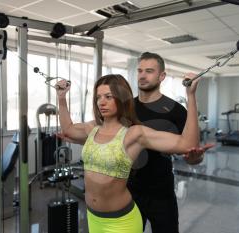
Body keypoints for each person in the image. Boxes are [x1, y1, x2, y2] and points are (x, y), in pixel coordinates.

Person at [55, 73, 205, 233]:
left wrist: (191, 96)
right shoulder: (91, 129)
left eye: (108, 96)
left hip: (121, 223)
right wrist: (62, 98)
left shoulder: (134, 134)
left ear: (122, 99)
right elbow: (68, 129)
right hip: (93, 217)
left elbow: (188, 144)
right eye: (98, 97)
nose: (102, 102)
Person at [127, 52, 212, 233]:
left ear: (162, 76)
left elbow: (192, 156)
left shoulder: (176, 111)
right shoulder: (127, 108)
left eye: (149, 71)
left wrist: (194, 158)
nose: (142, 75)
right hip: (129, 191)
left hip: (162, 192)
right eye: (140, 70)